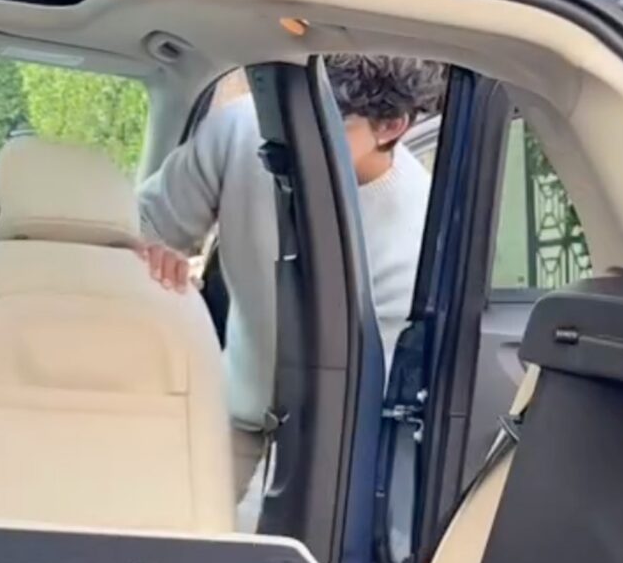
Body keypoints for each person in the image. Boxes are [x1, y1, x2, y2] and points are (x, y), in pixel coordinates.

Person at [135, 54, 447, 509]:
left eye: (326, 120)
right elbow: (146, 223)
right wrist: (155, 252)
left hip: (322, 441)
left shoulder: (415, 233)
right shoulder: (242, 129)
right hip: (226, 413)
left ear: (390, 127)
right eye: (292, 107)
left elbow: (349, 399)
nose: (289, 134)